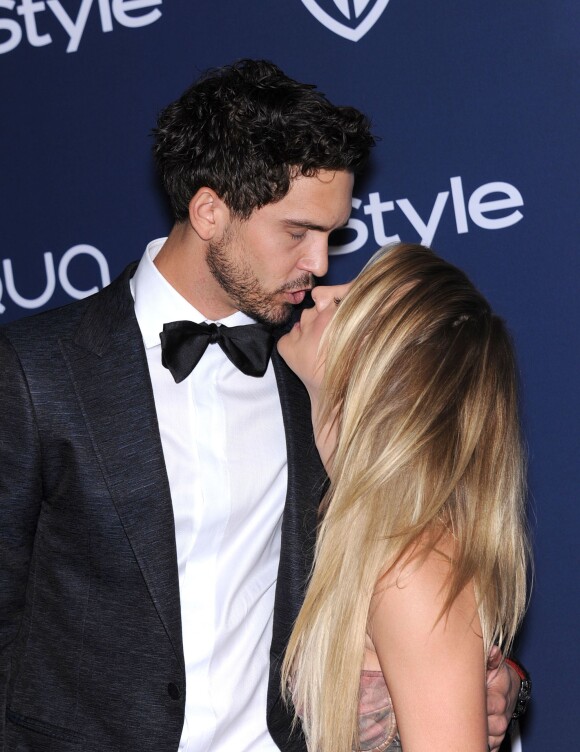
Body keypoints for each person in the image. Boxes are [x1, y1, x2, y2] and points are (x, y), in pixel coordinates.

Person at [0, 61, 521, 752]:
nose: (319, 264)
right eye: (297, 232)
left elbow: (412, 574)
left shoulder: (320, 381)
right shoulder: (37, 370)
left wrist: (494, 678)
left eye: (332, 236)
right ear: (210, 210)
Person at [278, 242, 531, 752]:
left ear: (379, 365)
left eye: (346, 304)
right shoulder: (360, 525)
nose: (320, 292)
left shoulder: (409, 561)